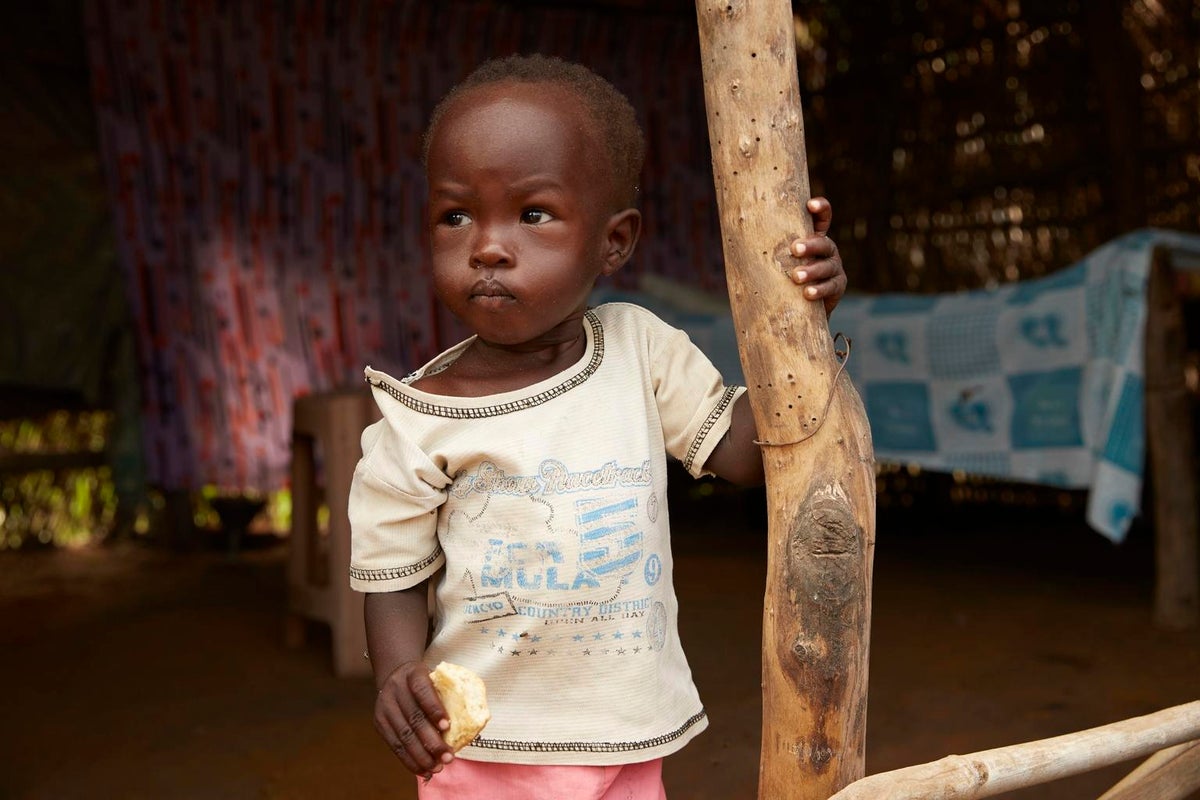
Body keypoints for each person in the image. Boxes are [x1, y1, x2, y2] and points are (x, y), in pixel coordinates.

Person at [348, 54, 847, 799]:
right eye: (456, 215)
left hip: (628, 739)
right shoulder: (418, 414)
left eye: (532, 214)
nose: (486, 245)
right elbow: (393, 575)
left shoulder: (639, 352)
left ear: (613, 242)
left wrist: (800, 313)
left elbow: (744, 454)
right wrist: (396, 673)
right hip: (491, 755)